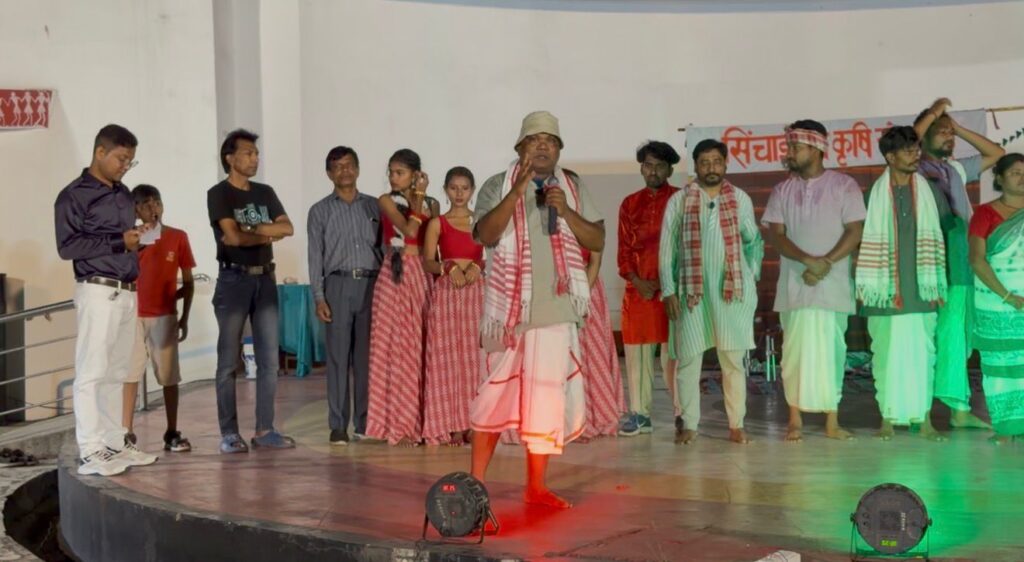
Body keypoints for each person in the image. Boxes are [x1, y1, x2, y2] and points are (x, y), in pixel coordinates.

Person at [470, 111, 604, 508]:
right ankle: (475, 486)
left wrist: (566, 210)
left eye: (550, 140)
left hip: (556, 309)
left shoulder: (572, 187)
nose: (543, 145)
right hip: (507, 314)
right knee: (493, 397)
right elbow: (485, 235)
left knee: (545, 400)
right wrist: (517, 192)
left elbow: (596, 239)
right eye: (534, 139)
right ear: (520, 147)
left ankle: (537, 487)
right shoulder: (498, 184)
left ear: (559, 149)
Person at [54, 124, 157, 476]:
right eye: (121, 159)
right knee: (92, 372)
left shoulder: (123, 194)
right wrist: (118, 242)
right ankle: (91, 449)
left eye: (131, 161)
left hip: (127, 290)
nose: (125, 166)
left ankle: (115, 443)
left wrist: (138, 237)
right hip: (97, 290)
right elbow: (67, 246)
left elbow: (122, 239)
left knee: (117, 373)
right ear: (100, 152)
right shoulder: (73, 196)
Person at [762, 120, 865, 441]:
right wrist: (809, 261)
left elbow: (855, 231)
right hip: (795, 286)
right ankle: (795, 420)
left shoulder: (844, 186)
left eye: (796, 147)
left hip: (833, 286)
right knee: (795, 354)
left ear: (817, 148)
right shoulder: (781, 190)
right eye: (789, 146)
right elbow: (777, 236)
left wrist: (826, 263)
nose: (790, 153)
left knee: (832, 353)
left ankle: (832, 421)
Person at [660, 139, 763, 445]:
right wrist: (669, 290)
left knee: (732, 361)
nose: (711, 168)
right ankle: (689, 424)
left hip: (731, 295)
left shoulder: (740, 198)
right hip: (692, 294)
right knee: (689, 360)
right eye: (704, 163)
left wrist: (749, 276)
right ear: (695, 166)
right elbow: (667, 249)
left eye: (717, 161)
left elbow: (753, 240)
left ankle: (736, 425)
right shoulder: (679, 201)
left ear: (725, 163)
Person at [913, 98, 1005, 430]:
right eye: (940, 132)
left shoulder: (955, 168)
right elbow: (908, 141)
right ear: (924, 136)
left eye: (949, 133)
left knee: (960, 334)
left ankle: (958, 408)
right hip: (932, 261)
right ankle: (929, 408)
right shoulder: (914, 168)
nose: (948, 137)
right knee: (942, 334)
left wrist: (958, 128)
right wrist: (933, 114)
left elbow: (997, 153)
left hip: (962, 259)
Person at [856, 126, 947, 441]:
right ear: (890, 157)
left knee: (923, 356)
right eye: (908, 151)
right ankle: (888, 418)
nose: (915, 156)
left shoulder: (931, 192)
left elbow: (944, 230)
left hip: (921, 291)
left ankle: (925, 420)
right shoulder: (873, 195)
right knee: (886, 356)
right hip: (884, 294)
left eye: (916, 150)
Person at [207, 128, 295, 453]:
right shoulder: (219, 194)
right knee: (228, 361)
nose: (255, 158)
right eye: (248, 153)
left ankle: (264, 429)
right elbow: (232, 238)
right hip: (234, 280)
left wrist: (253, 229)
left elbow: (288, 227)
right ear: (230, 158)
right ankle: (229, 433)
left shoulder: (265, 192)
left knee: (269, 360)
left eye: (256, 153)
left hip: (265, 279)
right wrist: (268, 234)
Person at [307, 146, 381, 446]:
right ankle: (338, 425)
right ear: (329, 173)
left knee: (367, 360)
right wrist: (319, 297)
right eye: (338, 167)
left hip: (373, 285)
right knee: (338, 359)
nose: (345, 171)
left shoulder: (375, 207)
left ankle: (365, 423)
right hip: (337, 286)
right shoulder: (320, 211)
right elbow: (315, 256)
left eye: (349, 165)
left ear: (358, 169)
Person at [365, 149, 439, 446]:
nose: (393, 178)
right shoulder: (386, 200)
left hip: (420, 273)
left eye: (400, 173)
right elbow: (408, 229)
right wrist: (417, 198)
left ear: (415, 174)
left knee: (419, 348)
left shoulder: (432, 204)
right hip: (394, 275)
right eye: (391, 172)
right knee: (393, 348)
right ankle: (397, 423)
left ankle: (423, 421)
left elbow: (432, 241)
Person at [123, 184, 195, 453]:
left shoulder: (178, 237)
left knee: (169, 376)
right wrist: (136, 245)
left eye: (157, 202)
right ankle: (126, 432)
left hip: (164, 316)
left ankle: (172, 431)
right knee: (130, 374)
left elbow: (188, 281)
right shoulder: (129, 239)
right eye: (146, 204)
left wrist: (184, 316)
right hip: (132, 316)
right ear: (136, 209)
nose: (153, 209)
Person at [617, 141, 681, 437]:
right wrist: (638, 281)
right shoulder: (630, 203)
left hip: (673, 291)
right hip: (639, 291)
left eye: (659, 166)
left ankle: (683, 413)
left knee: (675, 355)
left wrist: (668, 282)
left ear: (670, 170)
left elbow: (688, 247)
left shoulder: (681, 200)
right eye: (648, 166)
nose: (653, 171)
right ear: (641, 168)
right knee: (638, 354)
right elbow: (624, 250)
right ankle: (640, 414)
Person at [421, 167, 485, 446]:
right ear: (446, 190)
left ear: (473, 190)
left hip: (475, 294)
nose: (459, 193)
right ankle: (452, 423)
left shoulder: (481, 221)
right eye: (454, 188)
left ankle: (475, 421)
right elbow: (427, 262)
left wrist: (478, 266)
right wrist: (447, 267)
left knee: (474, 359)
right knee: (447, 360)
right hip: (447, 294)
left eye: (465, 188)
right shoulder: (438, 223)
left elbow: (495, 254)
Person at [968, 153, 1024, 444]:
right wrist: (1007, 296)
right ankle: (1005, 427)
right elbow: (977, 260)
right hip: (997, 301)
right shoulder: (985, 214)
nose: (1022, 178)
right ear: (999, 178)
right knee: (999, 366)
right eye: (1015, 172)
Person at [578, 249, 624, 440]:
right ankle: (566, 420)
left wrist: (581, 295)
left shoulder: (592, 227)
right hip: (557, 287)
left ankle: (592, 417)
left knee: (592, 355)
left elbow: (595, 260)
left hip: (586, 286)